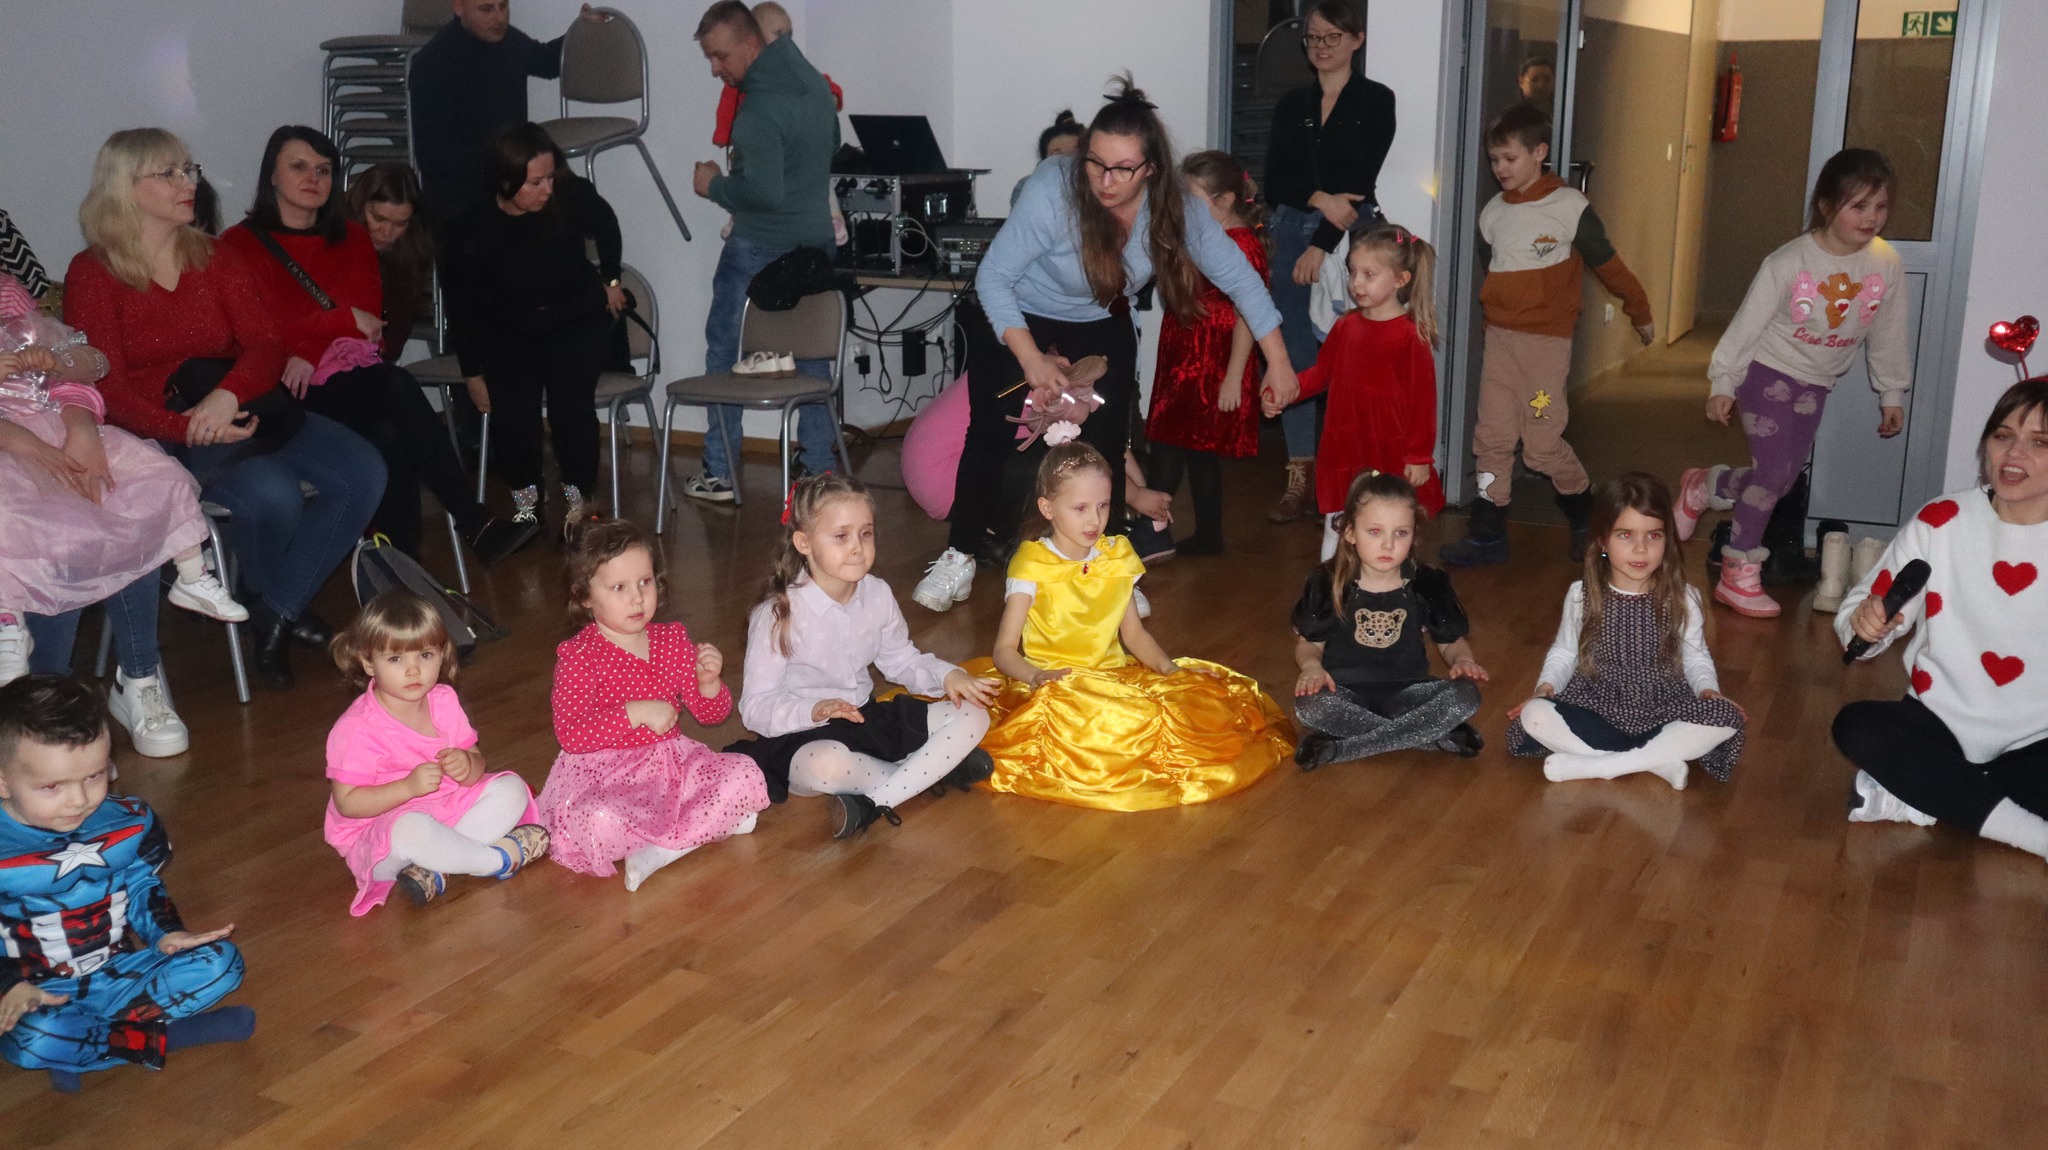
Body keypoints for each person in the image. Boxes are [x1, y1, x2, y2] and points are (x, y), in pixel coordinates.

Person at [913, 76, 1301, 613]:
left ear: (1152, 169)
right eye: (1095, 163)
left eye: (1122, 168)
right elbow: (994, 278)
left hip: (1099, 317)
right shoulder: (1053, 188)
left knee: (1105, 442)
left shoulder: (1177, 208)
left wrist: (1278, 362)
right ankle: (959, 554)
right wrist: (1031, 359)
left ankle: (1110, 570)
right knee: (990, 430)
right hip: (1020, 309)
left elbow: (1242, 281)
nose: (1104, 179)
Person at [64, 128, 386, 692]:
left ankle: (276, 609)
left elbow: (264, 344)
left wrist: (227, 396)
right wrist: (187, 426)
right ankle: (274, 604)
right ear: (125, 187)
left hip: (237, 405)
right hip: (156, 428)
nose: (188, 182)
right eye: (169, 173)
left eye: (188, 169)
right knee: (273, 494)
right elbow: (106, 388)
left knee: (365, 470)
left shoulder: (214, 255)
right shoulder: (93, 271)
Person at [223, 127, 537, 566]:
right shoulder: (237, 245)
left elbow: (367, 323)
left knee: (389, 427)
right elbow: (254, 333)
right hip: (277, 389)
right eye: (299, 167)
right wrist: (336, 320)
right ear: (272, 175)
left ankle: (399, 567)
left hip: (340, 380)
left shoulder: (352, 238)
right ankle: (470, 525)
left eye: (324, 170)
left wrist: (308, 348)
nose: (313, 178)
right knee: (393, 387)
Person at [965, 443, 1293, 810]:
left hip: (1111, 676)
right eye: (1080, 508)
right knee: (1110, 728)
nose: (1095, 520)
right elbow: (1004, 651)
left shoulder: (1116, 556)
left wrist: (1169, 669)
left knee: (1185, 707)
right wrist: (1035, 675)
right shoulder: (1032, 565)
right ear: (1047, 508)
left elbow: (1134, 634)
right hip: (1054, 684)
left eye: (1103, 506)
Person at [1, 275, 246, 755]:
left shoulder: (10, 295)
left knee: (123, 500)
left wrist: (79, 424)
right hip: (14, 460)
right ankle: (43, 707)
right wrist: (22, 442)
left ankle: (137, 677)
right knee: (59, 532)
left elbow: (75, 370)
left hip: (53, 428)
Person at [1676, 149, 1909, 618]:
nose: (1871, 218)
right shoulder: (1789, 261)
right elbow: (1746, 325)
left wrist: (1892, 393)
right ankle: (1738, 569)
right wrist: (1723, 381)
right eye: (1858, 206)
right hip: (1767, 371)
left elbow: (1889, 333)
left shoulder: (1885, 264)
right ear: (1826, 206)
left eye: (1880, 206)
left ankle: (1708, 484)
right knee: (1774, 475)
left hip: (1816, 382)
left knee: (1779, 480)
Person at [0, 675, 254, 1094]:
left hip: (119, 972)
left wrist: (167, 933)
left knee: (222, 963)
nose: (79, 799)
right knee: (34, 1037)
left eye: (94, 776)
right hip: (36, 991)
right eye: (52, 786)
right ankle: (175, 1035)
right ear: (4, 780)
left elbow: (140, 886)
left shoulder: (130, 821)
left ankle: (80, 1045)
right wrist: (10, 986)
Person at [1831, 379, 2048, 857]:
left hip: (2036, 739)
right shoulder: (1943, 519)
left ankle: (1935, 791)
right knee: (1856, 726)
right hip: (1938, 723)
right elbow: (1862, 609)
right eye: (2003, 435)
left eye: (2039, 442)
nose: (2014, 454)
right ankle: (2029, 833)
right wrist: (1865, 625)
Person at [1440, 103, 1654, 568]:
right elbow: (1495, 273)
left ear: (1539, 153)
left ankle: (1585, 516)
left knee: (1540, 445)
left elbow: (1608, 265)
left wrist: (1639, 309)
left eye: (1509, 158)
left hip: (1545, 347)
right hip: (1501, 343)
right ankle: (1487, 531)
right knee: (1491, 438)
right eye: (1494, 159)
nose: (1500, 169)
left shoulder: (1568, 207)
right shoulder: (1493, 213)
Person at [726, 474, 996, 839]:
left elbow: (902, 660)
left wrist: (947, 675)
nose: (857, 547)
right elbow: (756, 708)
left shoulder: (877, 594)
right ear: (804, 542)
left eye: (865, 534)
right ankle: (929, 773)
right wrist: (814, 709)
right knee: (826, 767)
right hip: (806, 734)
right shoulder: (777, 615)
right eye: (841, 536)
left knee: (974, 714)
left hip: (865, 719)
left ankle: (874, 802)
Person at [539, 519, 770, 891]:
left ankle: (659, 850)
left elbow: (712, 714)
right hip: (607, 778)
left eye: (645, 582)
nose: (637, 598)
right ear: (584, 596)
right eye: (619, 587)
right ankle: (703, 828)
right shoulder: (579, 656)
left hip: (671, 769)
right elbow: (572, 734)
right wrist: (636, 713)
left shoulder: (671, 640)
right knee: (597, 820)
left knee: (742, 772)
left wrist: (708, 683)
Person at [682, 0, 842, 503]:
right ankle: (819, 469)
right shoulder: (815, 85)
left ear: (751, 43)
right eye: (710, 58)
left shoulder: (757, 109)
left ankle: (720, 470)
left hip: (758, 245)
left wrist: (713, 185)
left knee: (723, 350)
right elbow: (832, 143)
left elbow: (763, 194)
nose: (715, 69)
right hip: (815, 243)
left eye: (721, 56)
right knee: (811, 358)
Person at [1506, 473, 1745, 788]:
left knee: (1726, 716)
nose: (1641, 549)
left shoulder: (1683, 598)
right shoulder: (1581, 595)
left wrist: (1707, 690)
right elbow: (1564, 651)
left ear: (1667, 540)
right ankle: (1656, 761)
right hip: (1596, 703)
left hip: (1663, 706)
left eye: (1654, 536)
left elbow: (1696, 657)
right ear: (1603, 540)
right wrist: (1546, 686)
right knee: (1534, 715)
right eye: (1625, 535)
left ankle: (1604, 765)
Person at [323, 589, 548, 914]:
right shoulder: (357, 727)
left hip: (444, 808)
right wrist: (408, 787)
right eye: (396, 659)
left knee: (511, 788)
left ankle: (438, 865)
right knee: (411, 827)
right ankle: (495, 861)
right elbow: (347, 803)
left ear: (442, 655)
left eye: (425, 655)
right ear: (368, 662)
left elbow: (477, 765)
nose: (413, 670)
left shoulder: (443, 700)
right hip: (380, 833)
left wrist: (467, 764)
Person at [447, 123, 622, 530]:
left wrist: (611, 280)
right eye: (535, 182)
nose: (547, 189)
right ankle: (527, 507)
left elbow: (607, 225)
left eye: (550, 177)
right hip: (510, 329)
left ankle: (580, 507)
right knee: (513, 419)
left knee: (571, 413)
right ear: (505, 181)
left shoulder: (569, 195)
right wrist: (472, 374)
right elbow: (463, 306)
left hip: (574, 319)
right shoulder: (473, 227)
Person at [1261, 0, 1397, 524]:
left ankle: (1357, 478)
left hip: (1351, 240)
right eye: (1314, 38)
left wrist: (1321, 243)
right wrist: (1318, 198)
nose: (1321, 47)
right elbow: (1276, 180)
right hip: (1290, 229)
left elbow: (1358, 182)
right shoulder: (1291, 103)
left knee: (1355, 355)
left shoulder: (1375, 99)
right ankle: (1300, 474)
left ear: (1356, 40)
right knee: (1294, 353)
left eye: (1332, 37)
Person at [1291, 471, 1487, 769]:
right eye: (1374, 531)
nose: (1388, 544)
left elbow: (1451, 642)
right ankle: (1432, 737)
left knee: (1466, 696)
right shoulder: (1328, 582)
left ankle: (1340, 749)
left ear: (1413, 534)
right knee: (1310, 706)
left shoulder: (1427, 582)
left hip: (1410, 693)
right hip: (1344, 693)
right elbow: (1309, 644)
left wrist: (1463, 661)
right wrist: (1311, 667)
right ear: (1349, 532)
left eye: (1400, 533)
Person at [1294, 222, 1444, 562]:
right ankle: (1331, 581)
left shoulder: (1410, 337)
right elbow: (1321, 375)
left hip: (1387, 446)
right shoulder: (1345, 326)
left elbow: (1423, 402)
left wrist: (1419, 456)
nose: (1356, 283)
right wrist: (1289, 390)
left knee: (1387, 520)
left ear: (1401, 280)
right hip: (1345, 443)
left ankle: (1394, 581)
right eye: (1353, 272)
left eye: (1369, 274)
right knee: (1338, 519)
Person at [1143, 150, 1269, 556]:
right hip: (1186, 352)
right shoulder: (1202, 238)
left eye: (1193, 200)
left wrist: (1234, 375)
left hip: (1211, 358)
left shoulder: (1243, 244)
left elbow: (1250, 313)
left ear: (1225, 200)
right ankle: (1206, 535)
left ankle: (1150, 530)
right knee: (1193, 448)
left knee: (1172, 441)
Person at [409, 0, 604, 227]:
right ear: (459, 7)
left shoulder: (509, 41)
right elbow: (432, 158)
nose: (499, 18)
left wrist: (581, 28)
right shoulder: (432, 64)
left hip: (511, 183)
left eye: (503, 6)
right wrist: (506, 164)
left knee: (583, 203)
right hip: (462, 203)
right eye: (486, 9)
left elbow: (547, 61)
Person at [711, 2, 847, 249]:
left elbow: (830, 89)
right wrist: (726, 137)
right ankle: (737, 219)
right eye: (778, 35)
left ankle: (834, 219)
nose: (784, 43)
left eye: (787, 36)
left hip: (795, 160)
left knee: (814, 180)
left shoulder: (804, 76)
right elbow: (728, 107)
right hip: (759, 153)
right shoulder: (746, 81)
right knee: (749, 177)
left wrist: (831, 100)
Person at [343, 164, 434, 363]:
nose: (387, 232)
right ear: (359, 207)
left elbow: (396, 336)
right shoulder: (332, 240)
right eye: (378, 218)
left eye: (400, 224)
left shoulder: (410, 255)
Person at [1012, 110, 1085, 208]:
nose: (1065, 161)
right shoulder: (1027, 185)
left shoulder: (1098, 186)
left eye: (1073, 154)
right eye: (1057, 156)